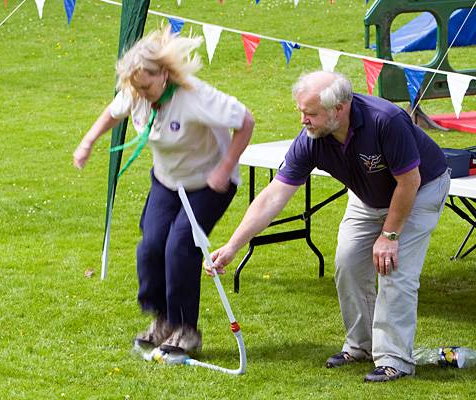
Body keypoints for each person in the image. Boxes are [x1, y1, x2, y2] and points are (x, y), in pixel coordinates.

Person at [207, 71, 450, 382]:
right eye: (301, 112)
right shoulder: (312, 139)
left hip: (419, 190)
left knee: (394, 270)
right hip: (368, 196)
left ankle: (395, 360)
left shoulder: (385, 120)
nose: (303, 121)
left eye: (311, 113)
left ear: (340, 109)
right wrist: (231, 246)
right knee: (347, 262)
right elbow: (273, 197)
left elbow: (409, 181)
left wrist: (389, 236)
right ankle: (360, 346)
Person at [73, 27, 254, 355]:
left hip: (208, 184)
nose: (140, 94)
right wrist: (88, 142)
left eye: (146, 86)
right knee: (151, 247)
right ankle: (163, 321)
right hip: (167, 181)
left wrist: (225, 167)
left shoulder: (195, 96)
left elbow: (246, 120)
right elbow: (113, 113)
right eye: (136, 88)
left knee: (180, 247)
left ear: (165, 75)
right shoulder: (136, 91)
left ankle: (187, 331)